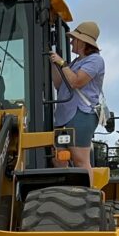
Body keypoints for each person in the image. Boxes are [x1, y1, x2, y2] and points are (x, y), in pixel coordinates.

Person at [49, 21, 105, 186]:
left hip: (81, 115)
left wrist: (61, 63)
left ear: (83, 42)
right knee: (58, 158)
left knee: (80, 160)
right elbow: (59, 85)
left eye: (74, 39)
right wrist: (54, 64)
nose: (72, 42)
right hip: (64, 116)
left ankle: (88, 197)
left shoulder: (95, 61)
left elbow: (76, 82)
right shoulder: (75, 62)